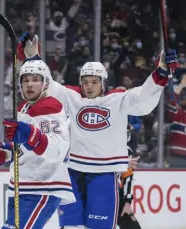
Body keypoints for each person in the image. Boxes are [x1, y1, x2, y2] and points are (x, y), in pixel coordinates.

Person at [17, 32, 178, 229]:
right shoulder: (71, 97)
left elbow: (143, 99)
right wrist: (33, 59)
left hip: (104, 174)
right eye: (85, 82)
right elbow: (47, 85)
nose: (89, 86)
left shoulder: (118, 99)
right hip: (72, 172)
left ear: (103, 82)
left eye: (94, 82)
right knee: (70, 227)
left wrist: (160, 72)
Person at [0, 60, 75, 229]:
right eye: (25, 80)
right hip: (22, 186)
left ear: (46, 84)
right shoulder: (26, 109)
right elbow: (28, 147)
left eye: (35, 79)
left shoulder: (49, 108)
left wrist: (30, 134)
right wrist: (9, 151)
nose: (29, 84)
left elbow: (56, 150)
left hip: (42, 187)